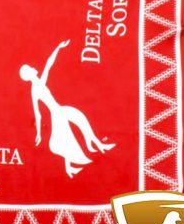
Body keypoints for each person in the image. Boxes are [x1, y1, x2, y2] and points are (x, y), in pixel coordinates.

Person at [18, 40, 114, 177]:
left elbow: (49, 64)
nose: (33, 67)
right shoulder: (35, 89)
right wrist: (38, 133)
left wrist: (58, 47)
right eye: (30, 68)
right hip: (57, 114)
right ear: (29, 75)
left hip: (60, 110)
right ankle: (72, 167)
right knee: (66, 138)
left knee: (80, 120)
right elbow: (38, 114)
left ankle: (98, 146)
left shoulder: (39, 82)